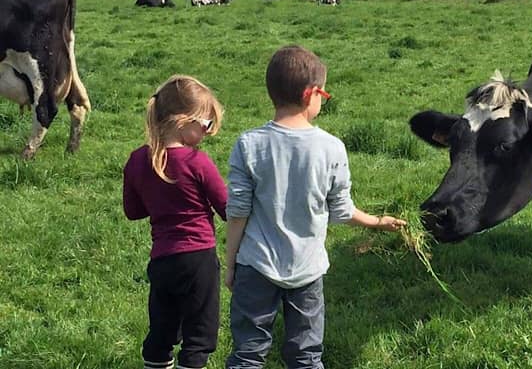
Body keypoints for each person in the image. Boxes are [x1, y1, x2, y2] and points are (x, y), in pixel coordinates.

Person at [224, 45, 407, 369]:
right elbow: (342, 211)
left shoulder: (248, 144)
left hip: (256, 265)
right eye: (324, 93)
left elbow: (237, 212)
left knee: (247, 355)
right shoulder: (332, 148)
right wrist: (378, 221)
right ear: (311, 94)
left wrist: (231, 264)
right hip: (308, 271)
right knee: (307, 357)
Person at [123, 75, 227, 369]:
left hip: (162, 262)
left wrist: (161, 201)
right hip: (198, 261)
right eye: (206, 125)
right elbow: (227, 209)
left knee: (162, 332)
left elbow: (133, 211)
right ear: (184, 121)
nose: (207, 133)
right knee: (199, 336)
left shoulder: (137, 160)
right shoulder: (197, 162)